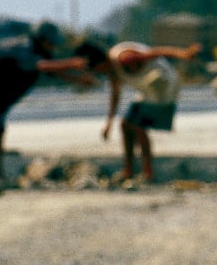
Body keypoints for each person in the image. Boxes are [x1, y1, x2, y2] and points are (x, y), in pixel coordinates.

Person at [0, 20, 89, 180]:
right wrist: (72, 63)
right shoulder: (24, 48)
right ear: (42, 39)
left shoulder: (37, 50)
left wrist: (77, 80)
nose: (52, 46)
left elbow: (52, 71)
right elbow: (43, 66)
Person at [76, 39, 201, 184]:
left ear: (100, 64)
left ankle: (147, 173)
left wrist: (183, 54)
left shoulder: (124, 59)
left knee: (137, 125)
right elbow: (115, 94)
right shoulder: (112, 69)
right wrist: (109, 123)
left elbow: (156, 53)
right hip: (149, 91)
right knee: (125, 125)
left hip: (164, 85)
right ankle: (129, 171)